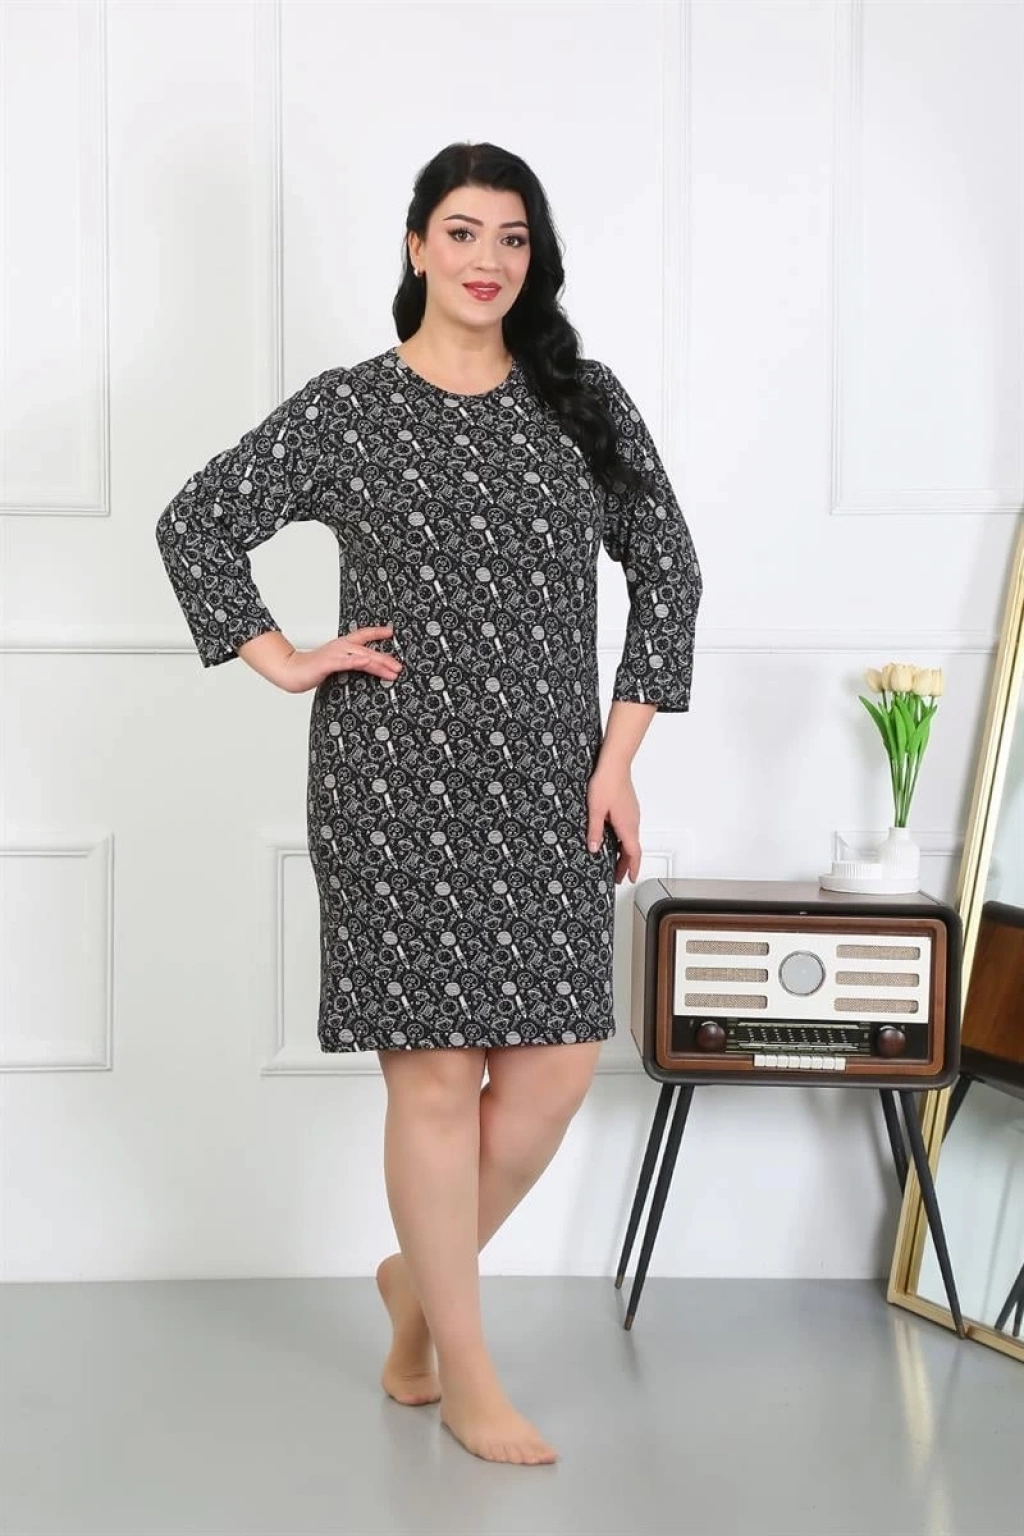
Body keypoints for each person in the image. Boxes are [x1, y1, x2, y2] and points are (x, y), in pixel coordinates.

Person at [155, 141, 702, 1466]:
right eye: (462, 232)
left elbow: (671, 571)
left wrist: (618, 757)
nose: (486, 259)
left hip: (551, 784)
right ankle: (466, 1371)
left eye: (512, 237)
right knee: (440, 1080)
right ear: (416, 246)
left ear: (534, 257)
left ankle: (415, 1284)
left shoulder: (582, 403)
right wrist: (281, 655)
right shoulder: (351, 410)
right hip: (391, 783)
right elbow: (196, 521)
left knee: (554, 1074)